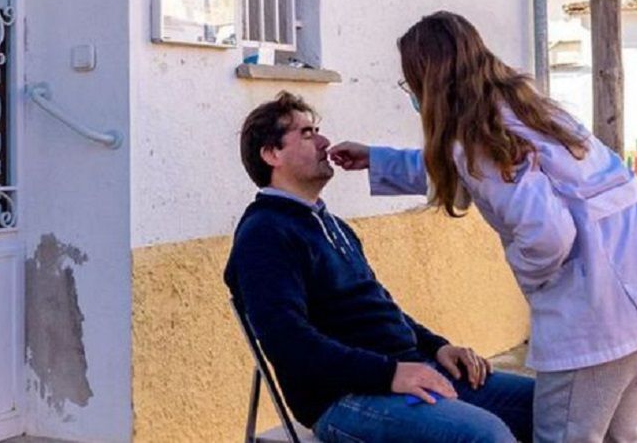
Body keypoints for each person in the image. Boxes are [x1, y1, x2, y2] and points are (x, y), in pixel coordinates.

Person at [330, 11, 637, 443]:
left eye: (410, 82)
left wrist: (534, 279)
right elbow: (465, 170)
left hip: (598, 310)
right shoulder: (523, 109)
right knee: (624, 435)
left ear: (429, 80)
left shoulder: (479, 138)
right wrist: (377, 158)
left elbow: (547, 234)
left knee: (563, 435)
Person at [225, 91, 534, 443]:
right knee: (484, 435)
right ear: (271, 154)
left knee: (550, 405)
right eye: (307, 134)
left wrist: (438, 347)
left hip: (405, 370)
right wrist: (390, 374)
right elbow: (288, 342)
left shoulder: (334, 225)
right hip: (344, 398)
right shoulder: (264, 234)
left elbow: (382, 309)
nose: (324, 142)